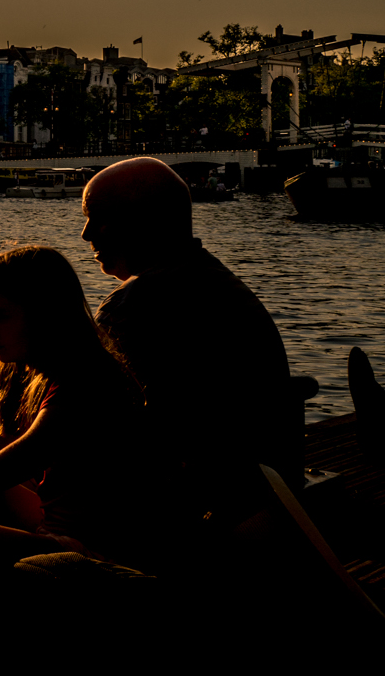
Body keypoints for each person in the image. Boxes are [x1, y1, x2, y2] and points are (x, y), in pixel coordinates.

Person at [79, 156, 299, 519]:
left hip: (197, 515)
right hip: (262, 496)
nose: (87, 234)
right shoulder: (220, 285)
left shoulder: (133, 307)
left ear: (141, 222)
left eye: (98, 219)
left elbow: (90, 425)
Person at [0, 245, 166, 569]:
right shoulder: (21, 370)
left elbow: (24, 455)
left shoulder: (88, 380)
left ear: (43, 313)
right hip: (52, 527)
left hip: (93, 550)